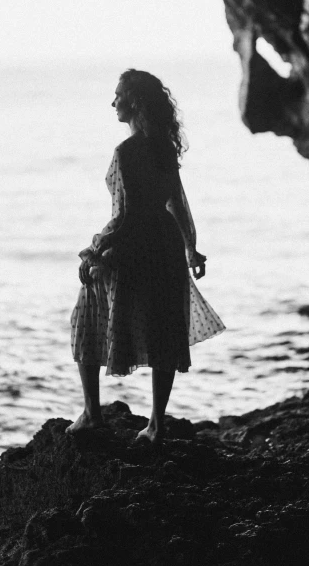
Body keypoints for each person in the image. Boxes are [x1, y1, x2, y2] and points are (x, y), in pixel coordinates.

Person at [67, 69, 225, 442]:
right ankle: (156, 424)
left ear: (134, 101)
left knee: (86, 316)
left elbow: (126, 215)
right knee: (163, 329)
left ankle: (92, 414)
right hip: (165, 243)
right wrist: (190, 245)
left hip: (135, 244)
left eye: (118, 95)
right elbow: (177, 202)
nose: (113, 102)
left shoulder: (126, 152)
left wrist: (94, 252)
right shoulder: (163, 147)